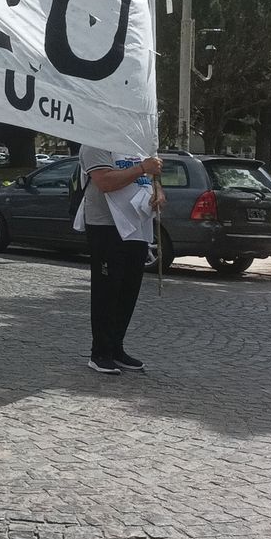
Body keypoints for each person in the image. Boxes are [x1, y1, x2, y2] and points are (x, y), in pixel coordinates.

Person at [75, 142, 165, 374]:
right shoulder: (95, 143)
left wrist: (159, 193)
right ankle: (100, 352)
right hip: (106, 225)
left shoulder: (138, 143)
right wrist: (142, 168)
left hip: (138, 224)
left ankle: (116, 348)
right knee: (107, 289)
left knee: (128, 289)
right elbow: (105, 182)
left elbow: (153, 179)